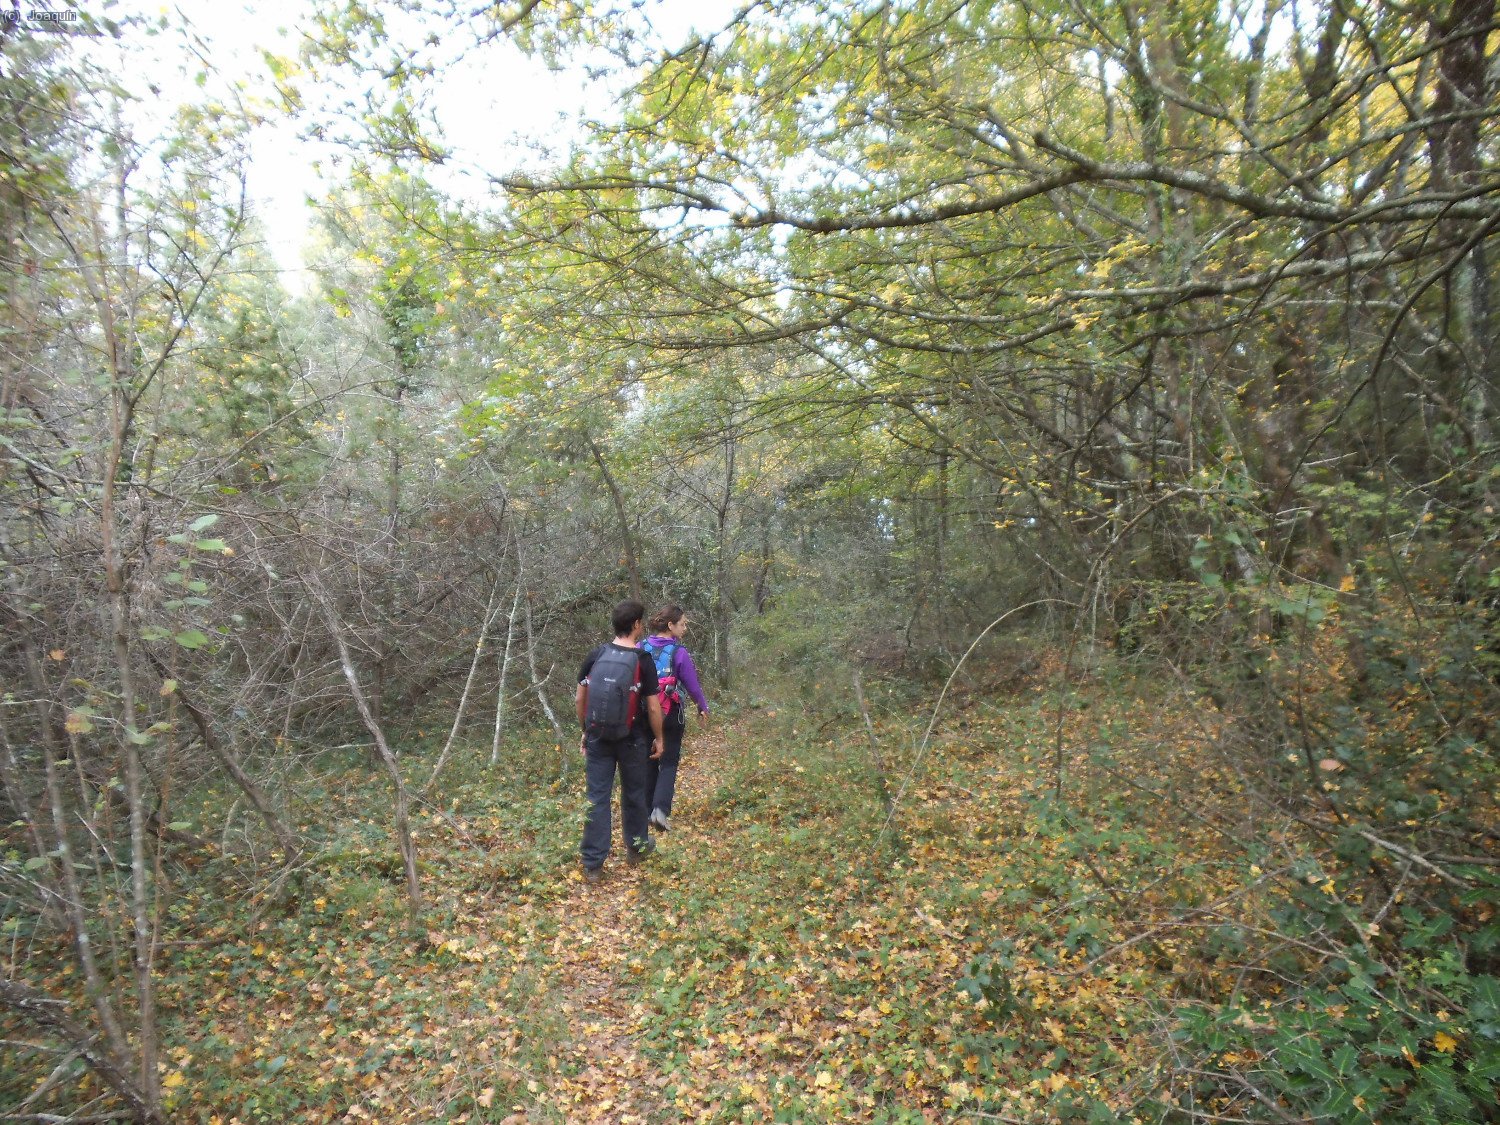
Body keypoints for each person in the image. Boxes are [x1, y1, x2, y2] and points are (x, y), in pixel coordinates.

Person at [575, 600, 664, 883]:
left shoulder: (596, 654)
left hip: (599, 737)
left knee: (597, 798)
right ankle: (636, 849)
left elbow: (580, 698)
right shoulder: (643, 660)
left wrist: (586, 730)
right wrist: (659, 738)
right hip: (633, 739)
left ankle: (593, 864)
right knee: (634, 794)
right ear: (636, 625)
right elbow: (652, 707)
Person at [639, 604, 711, 833]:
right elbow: (692, 685)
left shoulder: (641, 647)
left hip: (644, 713)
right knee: (668, 761)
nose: (685, 628)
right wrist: (703, 707)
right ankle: (659, 811)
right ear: (670, 626)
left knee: (650, 759)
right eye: (683, 624)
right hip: (670, 713)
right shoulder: (679, 653)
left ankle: (647, 811)